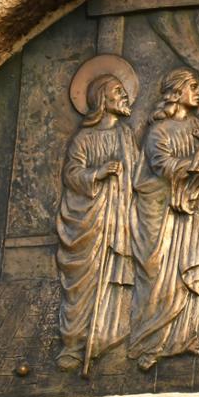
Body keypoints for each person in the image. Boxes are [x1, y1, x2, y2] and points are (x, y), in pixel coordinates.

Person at [129, 69, 199, 370]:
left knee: (190, 267)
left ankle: (184, 336)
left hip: (194, 206)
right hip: (163, 209)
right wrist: (196, 163)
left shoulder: (195, 125)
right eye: (193, 87)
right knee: (161, 273)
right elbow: (161, 165)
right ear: (177, 91)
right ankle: (151, 342)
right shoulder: (159, 131)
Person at [55, 73, 142, 375]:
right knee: (84, 282)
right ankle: (73, 344)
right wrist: (98, 173)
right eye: (118, 92)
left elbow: (140, 174)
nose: (125, 97)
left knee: (116, 278)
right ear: (102, 99)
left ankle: (105, 338)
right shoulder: (83, 138)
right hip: (89, 221)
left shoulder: (126, 135)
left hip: (119, 220)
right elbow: (71, 174)